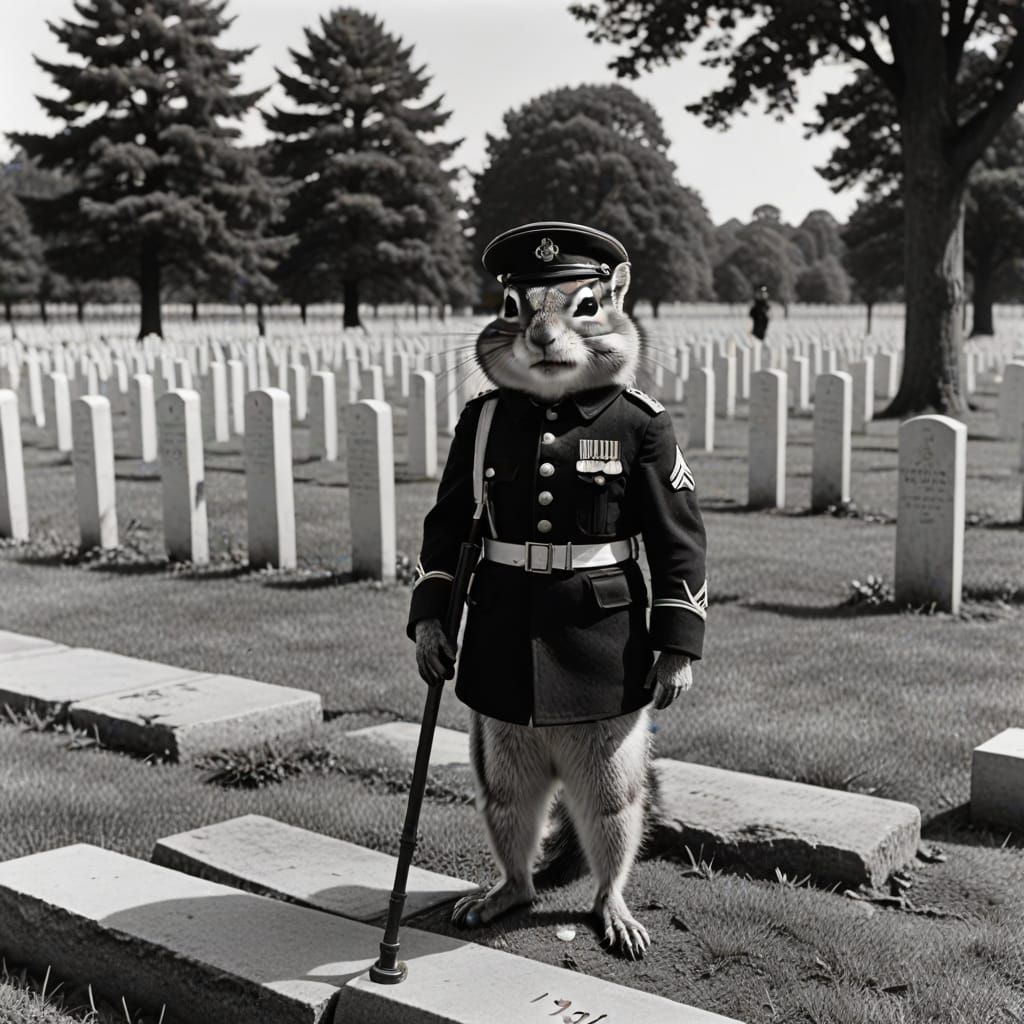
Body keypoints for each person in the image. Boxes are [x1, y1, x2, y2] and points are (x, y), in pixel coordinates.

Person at [408, 221, 707, 958]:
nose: (543, 334)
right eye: (519, 311)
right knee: (505, 782)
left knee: (611, 786)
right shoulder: (483, 421)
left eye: (579, 308)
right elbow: (448, 523)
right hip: (504, 622)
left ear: (616, 303)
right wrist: (431, 617)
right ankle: (515, 880)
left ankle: (611, 892)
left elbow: (677, 536)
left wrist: (677, 643)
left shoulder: (638, 422)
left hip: (599, 630)